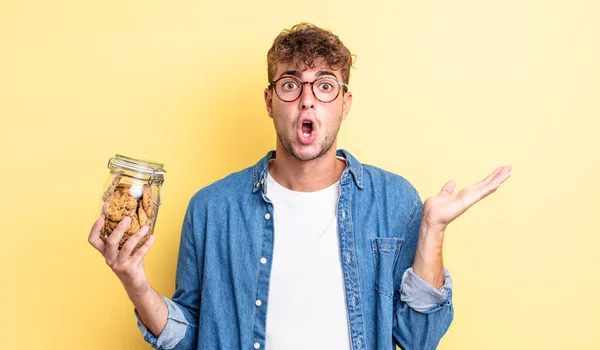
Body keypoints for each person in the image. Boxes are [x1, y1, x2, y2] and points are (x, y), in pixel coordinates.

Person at [88, 23, 511, 350]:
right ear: (270, 100)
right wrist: (135, 283)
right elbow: (191, 336)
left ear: (344, 103)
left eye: (325, 85)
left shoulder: (394, 200)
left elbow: (420, 339)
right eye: (291, 84)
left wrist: (432, 232)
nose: (308, 99)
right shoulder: (212, 209)